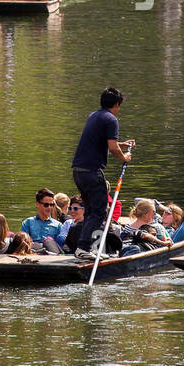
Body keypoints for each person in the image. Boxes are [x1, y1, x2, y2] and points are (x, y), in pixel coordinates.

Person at [70, 87, 134, 255]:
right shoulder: (111, 119)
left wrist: (122, 145)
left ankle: (85, 248)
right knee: (100, 211)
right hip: (92, 171)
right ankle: (83, 248)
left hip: (78, 171)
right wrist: (124, 157)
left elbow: (106, 142)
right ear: (116, 104)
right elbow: (112, 148)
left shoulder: (94, 116)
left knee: (90, 211)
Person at [21, 189, 64, 253]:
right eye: (46, 205)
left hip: (51, 254)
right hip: (33, 253)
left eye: (51, 205)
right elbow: (24, 244)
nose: (49, 207)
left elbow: (59, 247)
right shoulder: (28, 223)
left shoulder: (58, 225)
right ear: (37, 204)